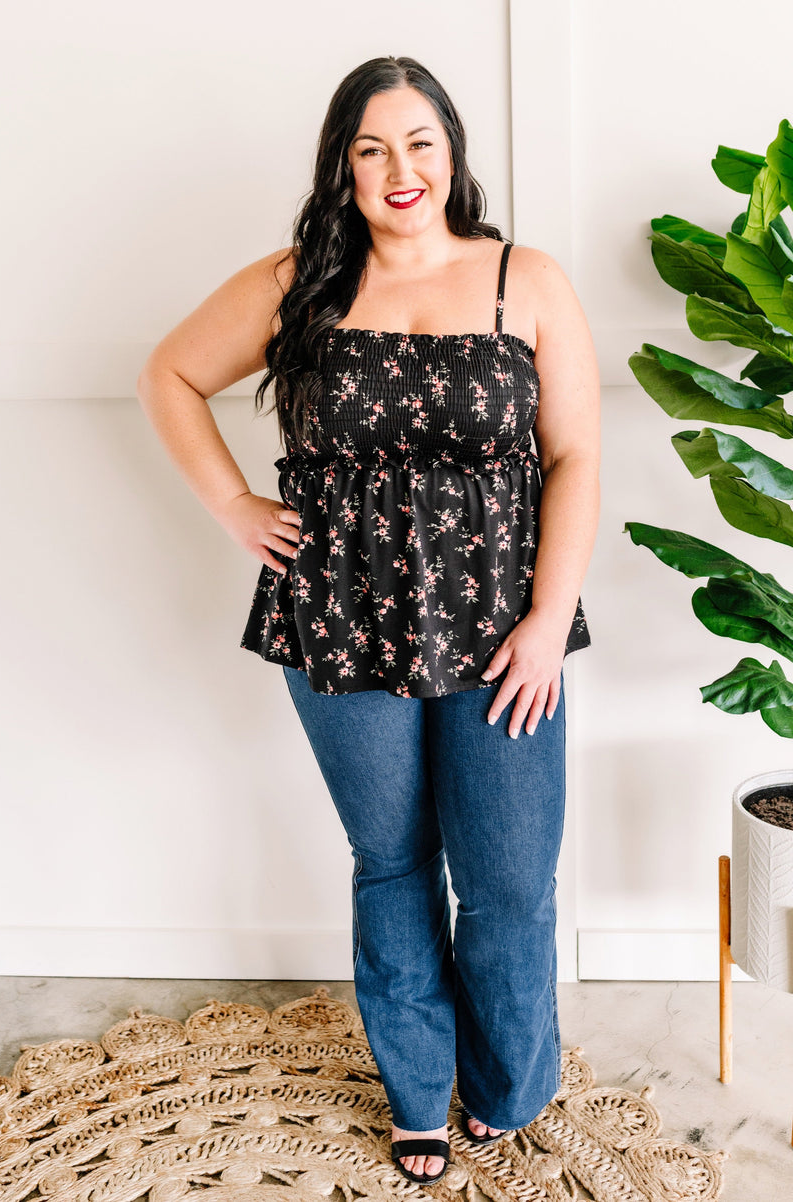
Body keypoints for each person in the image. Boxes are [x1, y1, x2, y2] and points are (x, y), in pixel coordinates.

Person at [137, 55, 599, 1188]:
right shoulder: (297, 282)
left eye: (420, 142)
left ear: (451, 151)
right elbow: (168, 375)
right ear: (343, 166)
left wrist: (546, 619)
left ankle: (504, 1083)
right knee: (390, 862)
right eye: (372, 148)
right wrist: (236, 504)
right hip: (338, 615)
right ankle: (414, 1094)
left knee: (505, 878)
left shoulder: (522, 279)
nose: (401, 170)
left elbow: (576, 453)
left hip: (500, 624)